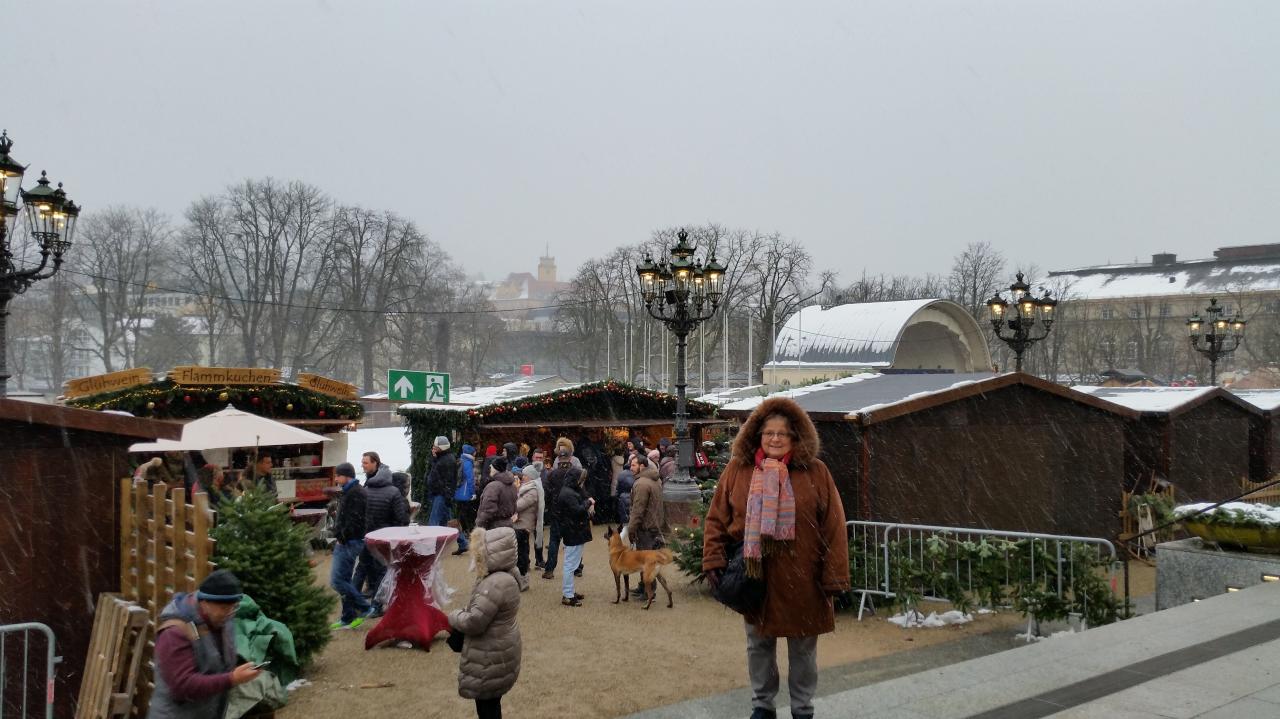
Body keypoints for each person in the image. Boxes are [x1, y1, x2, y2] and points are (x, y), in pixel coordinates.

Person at [702, 397, 850, 719]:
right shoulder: (738, 470)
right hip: (756, 578)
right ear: (757, 435)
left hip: (803, 580)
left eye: (783, 433)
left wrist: (835, 575)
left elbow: (834, 526)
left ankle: (802, 709)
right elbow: (716, 518)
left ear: (796, 437)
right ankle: (763, 706)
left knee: (803, 651)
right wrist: (713, 558)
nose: (775, 439)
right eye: (768, 432)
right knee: (759, 646)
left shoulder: (815, 472)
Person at [147, 569, 260, 718]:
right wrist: (231, 678)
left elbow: (218, 666)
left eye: (234, 607)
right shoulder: (174, 633)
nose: (230, 613)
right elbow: (183, 686)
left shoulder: (224, 619)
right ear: (204, 602)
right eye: (224, 608)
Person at [448, 527, 521, 719]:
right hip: (501, 648)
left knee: (487, 708)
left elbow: (475, 622)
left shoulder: (494, 584)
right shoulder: (508, 576)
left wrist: (454, 615)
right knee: (492, 704)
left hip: (490, 655)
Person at [357, 451, 408, 615]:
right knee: (380, 571)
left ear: (376, 464)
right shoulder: (393, 492)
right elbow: (401, 518)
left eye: (365, 463)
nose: (363, 465)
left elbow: (360, 514)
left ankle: (351, 603)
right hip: (384, 537)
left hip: (367, 535)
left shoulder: (365, 489)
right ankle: (376, 606)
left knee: (362, 568)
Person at [329, 462, 372, 630]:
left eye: (338, 475)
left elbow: (355, 520)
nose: (336, 478)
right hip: (350, 540)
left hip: (349, 541)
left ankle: (364, 607)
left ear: (347, 476)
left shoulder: (355, 493)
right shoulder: (350, 491)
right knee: (345, 580)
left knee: (337, 580)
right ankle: (347, 617)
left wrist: (341, 536)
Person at [540, 440, 586, 580]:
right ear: (570, 457)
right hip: (572, 513)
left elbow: (546, 493)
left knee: (554, 540)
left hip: (557, 512)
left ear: (558, 458)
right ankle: (577, 569)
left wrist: (549, 506)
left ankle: (549, 570)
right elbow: (582, 492)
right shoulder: (576, 474)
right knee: (574, 542)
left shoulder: (551, 475)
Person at [555, 457, 593, 606]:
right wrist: (588, 502)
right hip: (573, 531)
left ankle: (569, 591)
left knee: (573, 563)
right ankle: (568, 595)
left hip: (574, 531)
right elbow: (577, 510)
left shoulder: (570, 490)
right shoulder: (568, 493)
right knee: (570, 564)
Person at [626, 454, 664, 598]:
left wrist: (631, 529)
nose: (631, 468)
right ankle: (644, 587)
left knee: (647, 561)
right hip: (653, 525)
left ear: (642, 466)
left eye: (634, 465)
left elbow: (638, 510)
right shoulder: (653, 479)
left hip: (646, 528)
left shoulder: (641, 483)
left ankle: (649, 592)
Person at [513, 464, 543, 590]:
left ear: (530, 477)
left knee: (522, 554)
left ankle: (523, 579)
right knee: (520, 552)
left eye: (524, 475)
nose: (522, 477)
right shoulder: (526, 488)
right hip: (520, 523)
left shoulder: (532, 491)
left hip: (523, 525)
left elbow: (519, 505)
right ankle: (521, 578)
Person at [475, 457, 517, 530]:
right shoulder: (512, 485)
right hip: (508, 525)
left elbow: (488, 511)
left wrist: (479, 525)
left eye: (491, 466)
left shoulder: (493, 487)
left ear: (496, 469)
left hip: (494, 528)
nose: (490, 468)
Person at [426, 436, 458, 528]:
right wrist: (434, 458)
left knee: (433, 522)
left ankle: (431, 540)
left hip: (441, 494)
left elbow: (449, 481)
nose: (433, 447)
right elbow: (436, 472)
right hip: (440, 494)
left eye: (435, 446)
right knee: (449, 522)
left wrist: (447, 497)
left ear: (441, 448)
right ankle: (462, 541)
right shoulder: (442, 458)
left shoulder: (447, 460)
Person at [453, 444, 478, 555]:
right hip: (465, 493)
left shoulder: (461, 460)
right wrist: (473, 493)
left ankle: (464, 533)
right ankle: (469, 533)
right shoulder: (468, 463)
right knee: (466, 513)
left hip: (458, 492)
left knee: (461, 513)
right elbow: (470, 479)